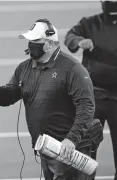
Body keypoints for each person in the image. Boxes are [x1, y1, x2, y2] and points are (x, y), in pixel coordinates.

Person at [0, 18, 96, 180]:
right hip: (46, 149)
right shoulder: (25, 68)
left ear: (49, 44)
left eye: (35, 41)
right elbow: (7, 97)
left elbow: (86, 107)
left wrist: (72, 139)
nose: (30, 45)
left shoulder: (72, 69)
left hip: (71, 151)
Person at [64, 1, 117, 179]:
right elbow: (70, 37)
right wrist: (80, 41)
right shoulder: (90, 23)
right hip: (94, 96)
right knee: (86, 146)